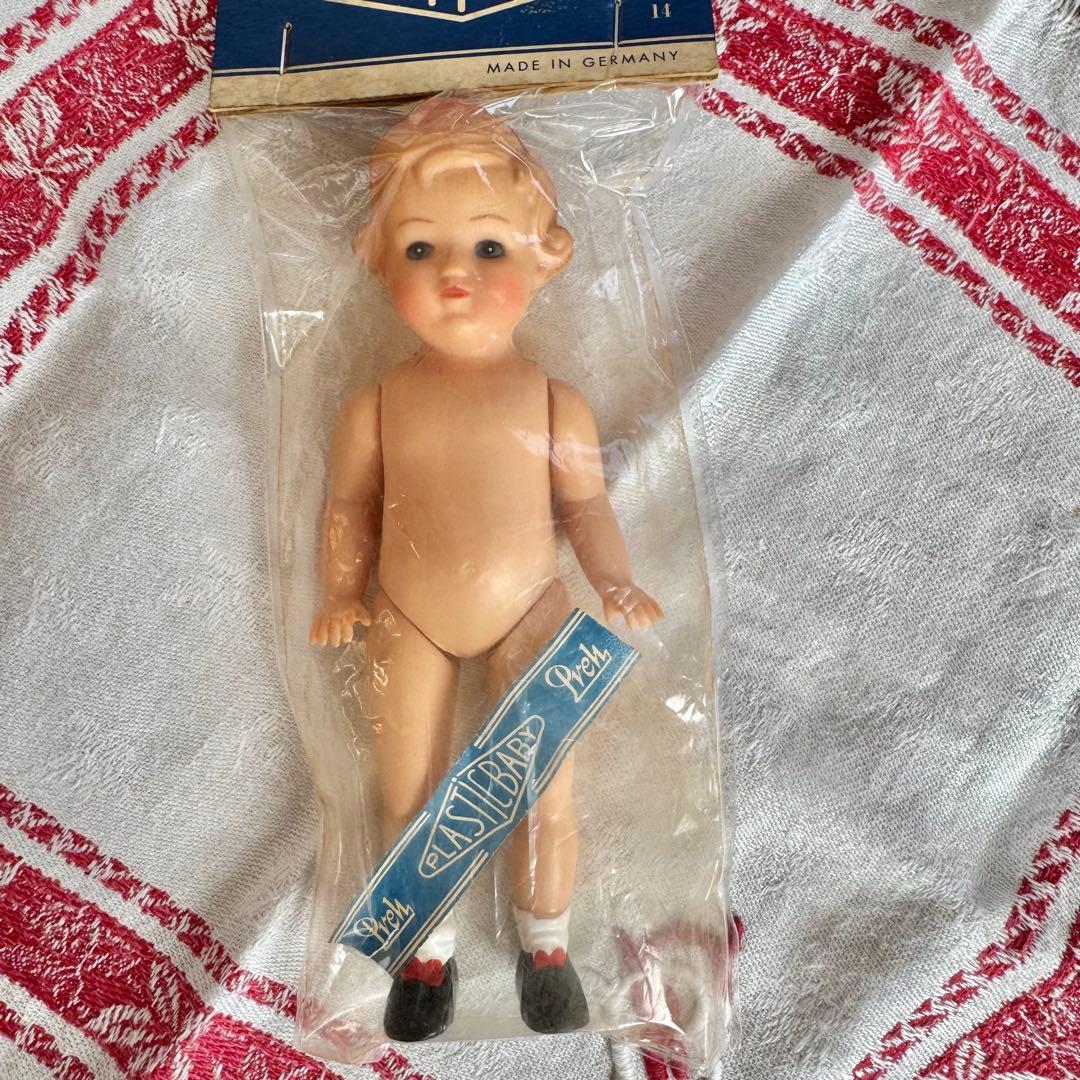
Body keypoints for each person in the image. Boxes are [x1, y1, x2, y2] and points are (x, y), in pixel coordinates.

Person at [310, 97, 662, 1041]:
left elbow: (586, 506)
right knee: (408, 789)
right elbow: (347, 508)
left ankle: (547, 944)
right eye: (422, 248)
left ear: (546, 258)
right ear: (379, 259)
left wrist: (613, 579)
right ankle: (424, 954)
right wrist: (341, 590)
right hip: (407, 611)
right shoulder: (374, 405)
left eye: (490, 248)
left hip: (532, 606)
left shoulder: (552, 399)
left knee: (545, 782)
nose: (455, 274)